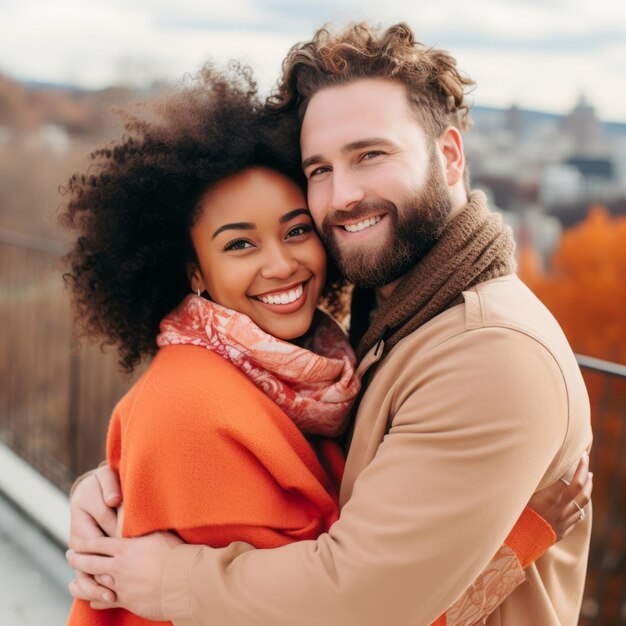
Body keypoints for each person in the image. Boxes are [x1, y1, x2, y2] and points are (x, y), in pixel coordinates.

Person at [66, 22, 593, 626]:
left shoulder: (488, 352)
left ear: (448, 156)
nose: (343, 195)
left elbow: (357, 600)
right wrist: (122, 484)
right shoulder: (370, 330)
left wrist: (171, 579)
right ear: (195, 271)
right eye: (319, 169)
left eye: (370, 154)